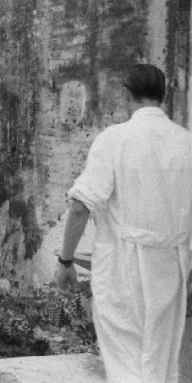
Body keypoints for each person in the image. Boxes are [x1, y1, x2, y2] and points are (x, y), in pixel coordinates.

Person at [55, 64, 192, 382]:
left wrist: (65, 260)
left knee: (125, 359)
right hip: (171, 265)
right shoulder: (186, 143)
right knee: (159, 359)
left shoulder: (115, 139)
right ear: (164, 96)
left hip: (123, 267)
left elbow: (80, 207)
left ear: (126, 93)